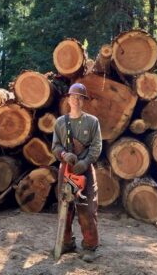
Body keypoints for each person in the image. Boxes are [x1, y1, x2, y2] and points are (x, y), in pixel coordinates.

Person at [52, 82, 102, 262]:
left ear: (84, 101)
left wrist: (85, 162)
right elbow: (55, 146)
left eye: (80, 98)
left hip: (85, 170)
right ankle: (66, 242)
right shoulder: (60, 122)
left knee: (87, 209)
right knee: (64, 207)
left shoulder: (92, 122)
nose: (76, 101)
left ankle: (90, 245)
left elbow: (96, 146)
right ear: (68, 99)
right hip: (66, 169)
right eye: (74, 97)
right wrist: (64, 154)